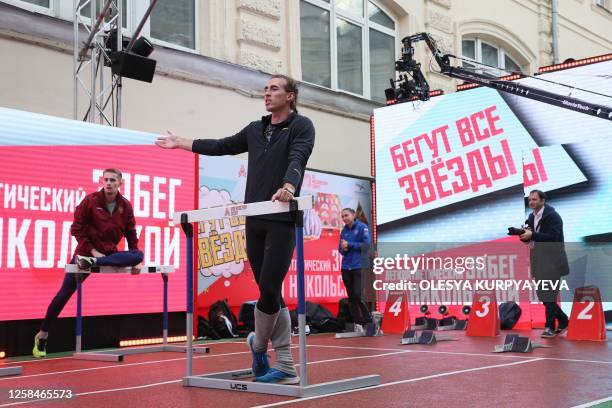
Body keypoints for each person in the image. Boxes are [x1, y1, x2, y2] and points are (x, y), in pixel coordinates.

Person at [155, 74, 315, 384]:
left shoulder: (301, 126)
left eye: (274, 89)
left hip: (281, 217)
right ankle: (284, 365)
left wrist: (288, 185)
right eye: (266, 88)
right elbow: (221, 145)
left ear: (290, 96)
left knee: (269, 288)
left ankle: (258, 345)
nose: (266, 93)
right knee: (270, 293)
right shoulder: (256, 129)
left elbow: (299, 156)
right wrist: (181, 143)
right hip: (253, 219)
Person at [33, 168, 144, 357]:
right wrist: (92, 252)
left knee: (138, 255)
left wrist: (136, 260)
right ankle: (42, 334)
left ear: (120, 183)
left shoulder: (125, 206)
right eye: (106, 180)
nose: (108, 183)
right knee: (64, 294)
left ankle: (98, 261)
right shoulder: (90, 201)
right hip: (86, 253)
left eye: (112, 180)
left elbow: (131, 233)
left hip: (106, 256)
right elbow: (76, 228)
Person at [520, 189, 569, 338]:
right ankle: (563, 320)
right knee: (542, 295)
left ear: (542, 200)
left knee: (549, 294)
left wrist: (532, 234)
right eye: (529, 200)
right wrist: (522, 235)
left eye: (534, 199)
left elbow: (553, 237)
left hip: (553, 262)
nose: (531, 202)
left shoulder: (553, 216)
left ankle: (549, 327)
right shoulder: (531, 216)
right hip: (539, 261)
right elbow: (531, 237)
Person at [339, 208, 371, 328]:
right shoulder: (344, 231)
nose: (344, 218)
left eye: (346, 215)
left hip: (359, 266)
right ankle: (358, 323)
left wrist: (350, 245)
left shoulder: (362, 227)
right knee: (351, 297)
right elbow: (340, 249)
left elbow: (366, 246)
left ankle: (369, 321)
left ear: (353, 215)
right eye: (342, 216)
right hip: (346, 267)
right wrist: (343, 249)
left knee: (358, 295)